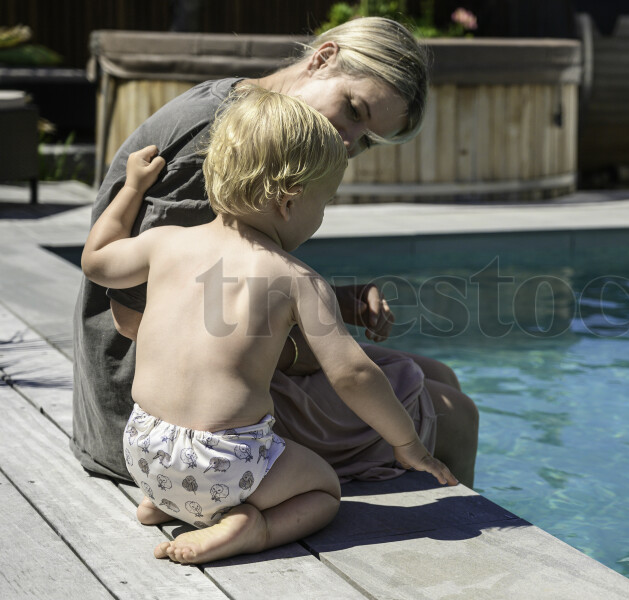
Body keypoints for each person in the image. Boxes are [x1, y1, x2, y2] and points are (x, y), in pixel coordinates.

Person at [71, 17, 478, 487]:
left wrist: (328, 302)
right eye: (353, 110)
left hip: (174, 412)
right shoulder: (218, 142)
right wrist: (300, 343)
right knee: (454, 416)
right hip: (163, 421)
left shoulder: (246, 116)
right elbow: (138, 319)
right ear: (323, 58)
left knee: (439, 377)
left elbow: (220, 269)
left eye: (366, 139)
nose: (348, 142)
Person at [81, 87, 457, 564]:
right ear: (288, 202)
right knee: (323, 488)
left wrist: (132, 188)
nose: (320, 218)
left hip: (141, 451)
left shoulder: (165, 244)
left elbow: (96, 261)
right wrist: (408, 445)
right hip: (221, 469)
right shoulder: (297, 279)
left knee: (197, 448)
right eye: (324, 204)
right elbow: (353, 375)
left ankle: (171, 500)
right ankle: (251, 528)